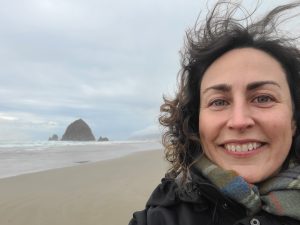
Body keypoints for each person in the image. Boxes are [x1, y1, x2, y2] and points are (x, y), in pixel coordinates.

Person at [129, 1, 300, 224]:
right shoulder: (162, 216)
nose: (239, 121)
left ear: (294, 119)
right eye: (219, 102)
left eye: (263, 98)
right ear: (195, 122)